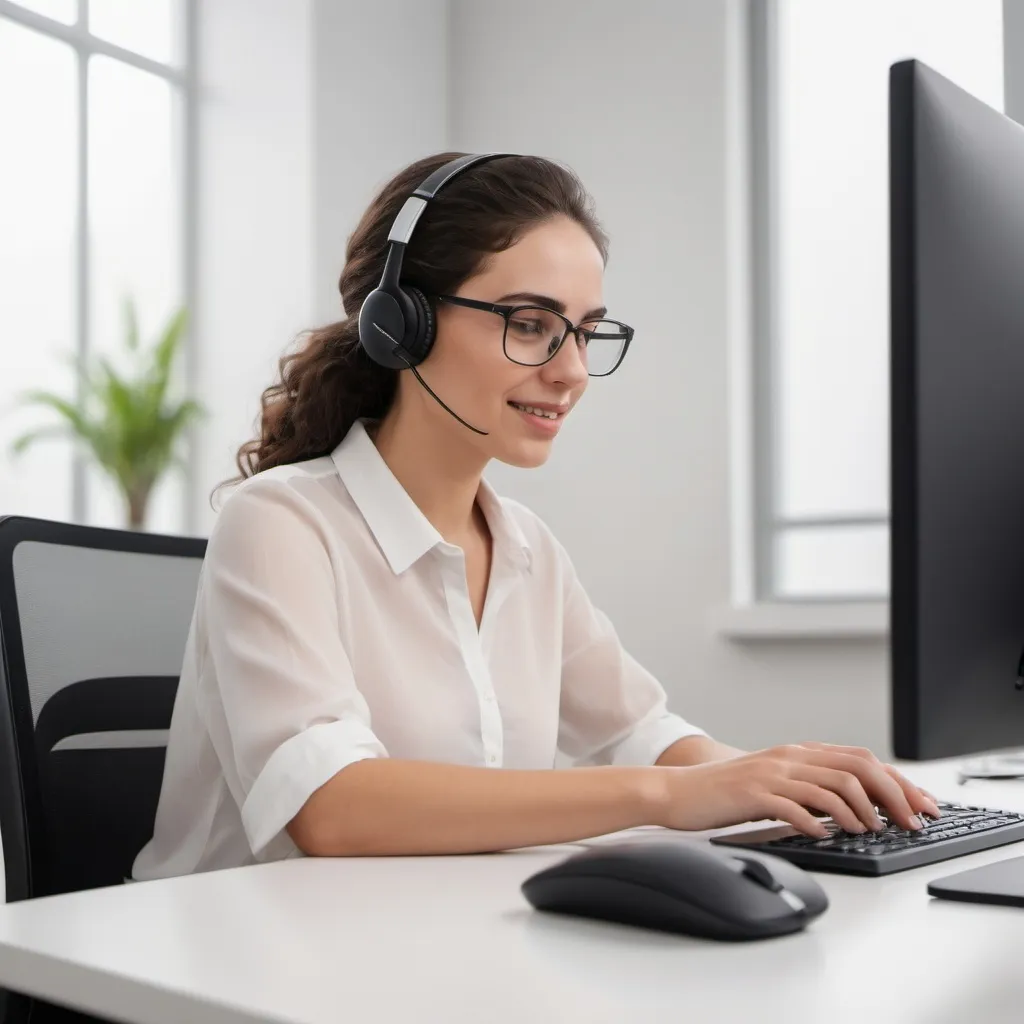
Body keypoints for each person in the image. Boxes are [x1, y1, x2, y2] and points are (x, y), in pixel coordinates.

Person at [132, 152, 939, 880]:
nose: (573, 371)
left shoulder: (526, 550)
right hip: (228, 965)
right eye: (530, 325)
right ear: (400, 323)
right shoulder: (281, 523)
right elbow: (331, 805)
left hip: (411, 944)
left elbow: (642, 733)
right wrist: (667, 795)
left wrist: (788, 786)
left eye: (586, 333)